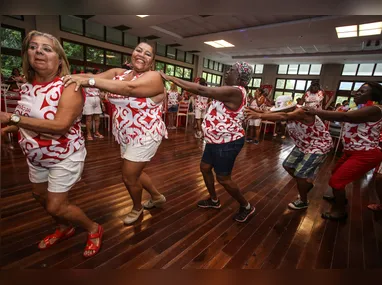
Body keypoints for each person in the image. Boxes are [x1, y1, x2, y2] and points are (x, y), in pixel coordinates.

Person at [0, 30, 103, 258]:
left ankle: (93, 229)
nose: (38, 51)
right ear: (27, 54)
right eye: (33, 47)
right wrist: (10, 127)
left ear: (59, 60)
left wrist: (12, 118)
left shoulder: (69, 87)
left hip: (64, 155)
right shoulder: (27, 86)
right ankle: (65, 228)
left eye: (47, 48)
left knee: (56, 206)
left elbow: (60, 126)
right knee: (40, 197)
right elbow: (29, 119)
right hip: (36, 156)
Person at [63, 42, 167, 225]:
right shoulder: (119, 74)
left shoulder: (154, 77)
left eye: (148, 53)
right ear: (132, 53)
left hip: (146, 134)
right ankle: (157, 197)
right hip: (125, 133)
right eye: (138, 50)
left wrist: (90, 82)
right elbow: (91, 76)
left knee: (128, 176)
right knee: (136, 171)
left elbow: (129, 89)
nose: (142, 55)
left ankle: (137, 207)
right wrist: (63, 78)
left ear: (152, 61)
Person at [160, 62, 256, 223]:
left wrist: (170, 78)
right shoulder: (229, 91)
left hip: (228, 141)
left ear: (239, 77)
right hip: (215, 140)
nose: (227, 72)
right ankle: (213, 200)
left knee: (223, 178)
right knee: (205, 168)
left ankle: (246, 206)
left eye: (231, 70)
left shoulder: (236, 91)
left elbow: (202, 90)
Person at [304, 82, 382, 220]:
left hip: (366, 154)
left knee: (336, 181)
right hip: (351, 152)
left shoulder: (375, 109)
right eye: (358, 90)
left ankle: (340, 211)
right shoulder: (358, 108)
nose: (357, 93)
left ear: (373, 96)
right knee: (335, 173)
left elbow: (345, 117)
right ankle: (339, 198)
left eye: (362, 92)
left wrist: (316, 111)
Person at [245, 95, 333, 210]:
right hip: (304, 144)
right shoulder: (288, 111)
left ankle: (303, 201)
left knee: (300, 174)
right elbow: (274, 112)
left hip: (319, 145)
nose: (279, 111)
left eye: (281, 109)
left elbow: (284, 115)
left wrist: (259, 115)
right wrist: (254, 110)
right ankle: (306, 184)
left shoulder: (302, 111)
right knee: (287, 165)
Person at [83, 70, 104, 141]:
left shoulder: (96, 83)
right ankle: (89, 134)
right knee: (89, 119)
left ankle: (96, 132)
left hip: (97, 99)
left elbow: (100, 94)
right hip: (88, 99)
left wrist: (102, 104)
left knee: (97, 118)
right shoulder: (84, 83)